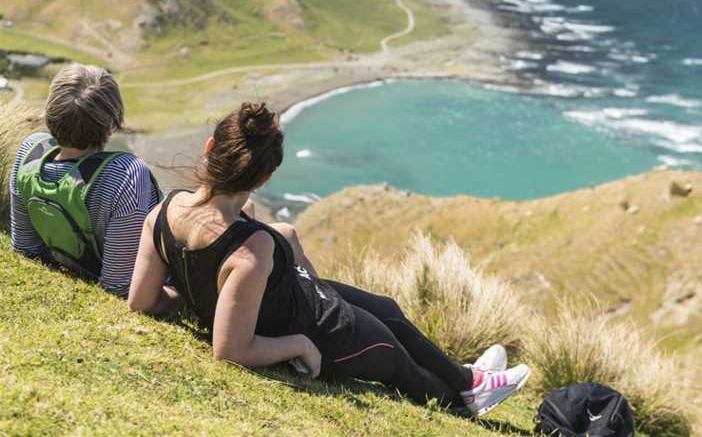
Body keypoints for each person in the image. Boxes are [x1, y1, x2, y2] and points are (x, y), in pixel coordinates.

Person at [128, 102, 530, 416]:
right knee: (399, 365)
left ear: (210, 149)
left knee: (387, 309)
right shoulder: (250, 250)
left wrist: (191, 297)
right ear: (265, 178)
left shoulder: (162, 214)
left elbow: (141, 300)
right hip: (323, 331)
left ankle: (471, 378)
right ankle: (466, 401)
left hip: (301, 298)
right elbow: (230, 350)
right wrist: (299, 344)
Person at [9, 63, 176, 309]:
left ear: (51, 112)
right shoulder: (126, 174)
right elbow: (120, 287)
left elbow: (25, 247)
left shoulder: (30, 151)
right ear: (111, 122)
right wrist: (180, 296)